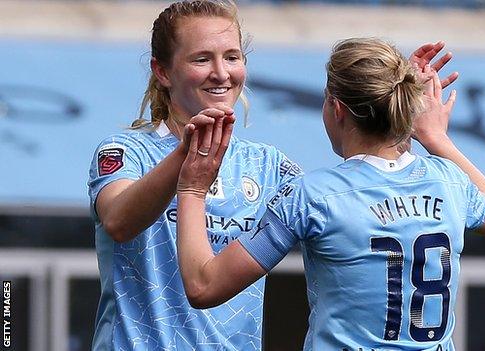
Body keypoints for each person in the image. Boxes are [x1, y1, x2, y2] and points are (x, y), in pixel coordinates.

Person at [86, 0, 458, 349]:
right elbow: (119, 221)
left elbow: (356, 202)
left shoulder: (268, 165)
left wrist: (389, 101)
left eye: (231, 57)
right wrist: (186, 157)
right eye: (202, 59)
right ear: (162, 71)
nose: (221, 73)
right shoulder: (125, 152)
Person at [175, 37, 485, 351]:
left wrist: (191, 189)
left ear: (337, 108)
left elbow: (205, 287)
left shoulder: (313, 197)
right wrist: (435, 137)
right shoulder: (448, 180)